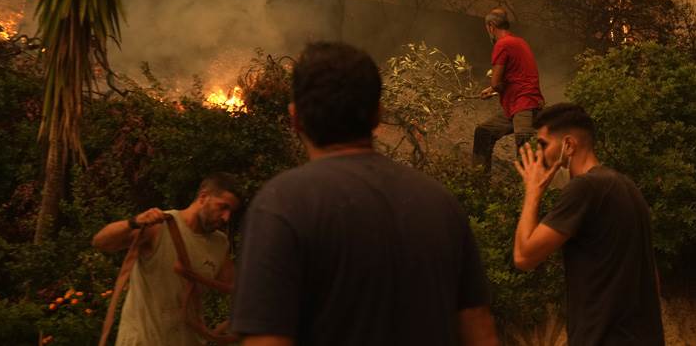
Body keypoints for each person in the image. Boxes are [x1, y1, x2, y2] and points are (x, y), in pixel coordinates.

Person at [232, 41, 498, 346]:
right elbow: (481, 332)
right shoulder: (440, 203)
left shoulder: (281, 205)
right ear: (377, 115)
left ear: (295, 119)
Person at [513, 103, 664, 346]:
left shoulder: (584, 188)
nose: (540, 155)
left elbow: (524, 256)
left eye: (543, 144)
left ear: (569, 145)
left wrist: (532, 192)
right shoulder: (628, 187)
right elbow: (652, 277)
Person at [92, 173, 243, 346]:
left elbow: (235, 289)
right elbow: (101, 242)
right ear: (203, 197)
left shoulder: (220, 243)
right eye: (223, 207)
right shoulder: (159, 226)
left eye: (230, 211)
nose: (226, 217)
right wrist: (134, 222)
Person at [472, 8, 544, 172]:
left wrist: (494, 87)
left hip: (524, 106)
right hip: (517, 106)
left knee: (525, 151)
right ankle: (477, 182)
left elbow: (497, 81)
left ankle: (528, 192)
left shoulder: (502, 44)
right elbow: (515, 77)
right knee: (484, 132)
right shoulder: (519, 42)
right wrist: (492, 89)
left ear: (491, 26)